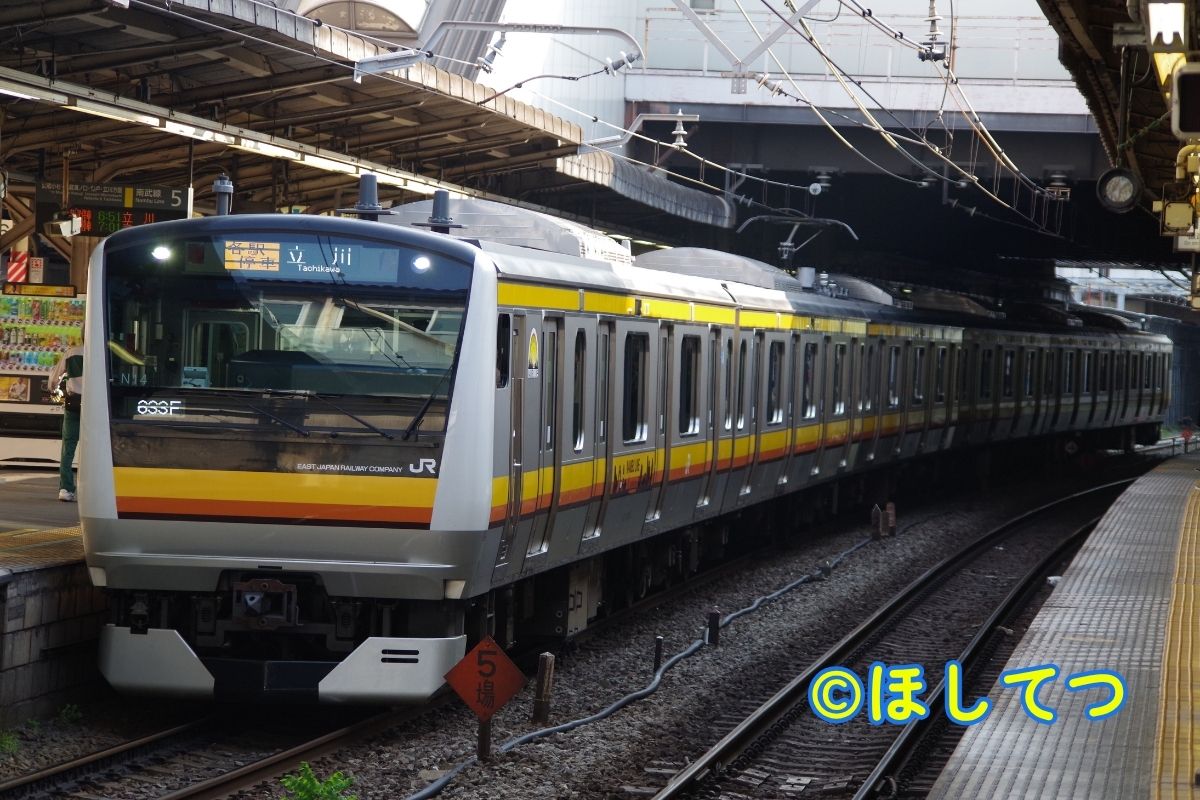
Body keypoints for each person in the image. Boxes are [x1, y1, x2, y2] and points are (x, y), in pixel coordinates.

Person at [48, 340, 83, 502]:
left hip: (73, 404)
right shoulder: (102, 352)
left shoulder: (71, 353)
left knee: (68, 448)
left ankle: (66, 489)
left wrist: (54, 390)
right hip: (96, 406)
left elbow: (54, 380)